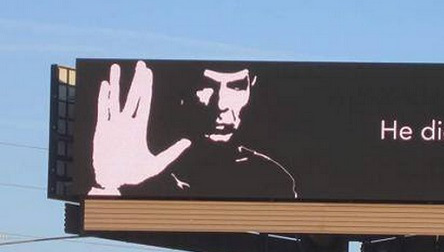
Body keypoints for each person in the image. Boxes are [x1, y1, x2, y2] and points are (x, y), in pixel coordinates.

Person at [88, 60, 297, 198]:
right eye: (207, 86)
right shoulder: (147, 169)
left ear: (252, 86)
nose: (221, 103)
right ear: (185, 91)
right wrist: (108, 185)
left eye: (236, 86)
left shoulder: (274, 179)